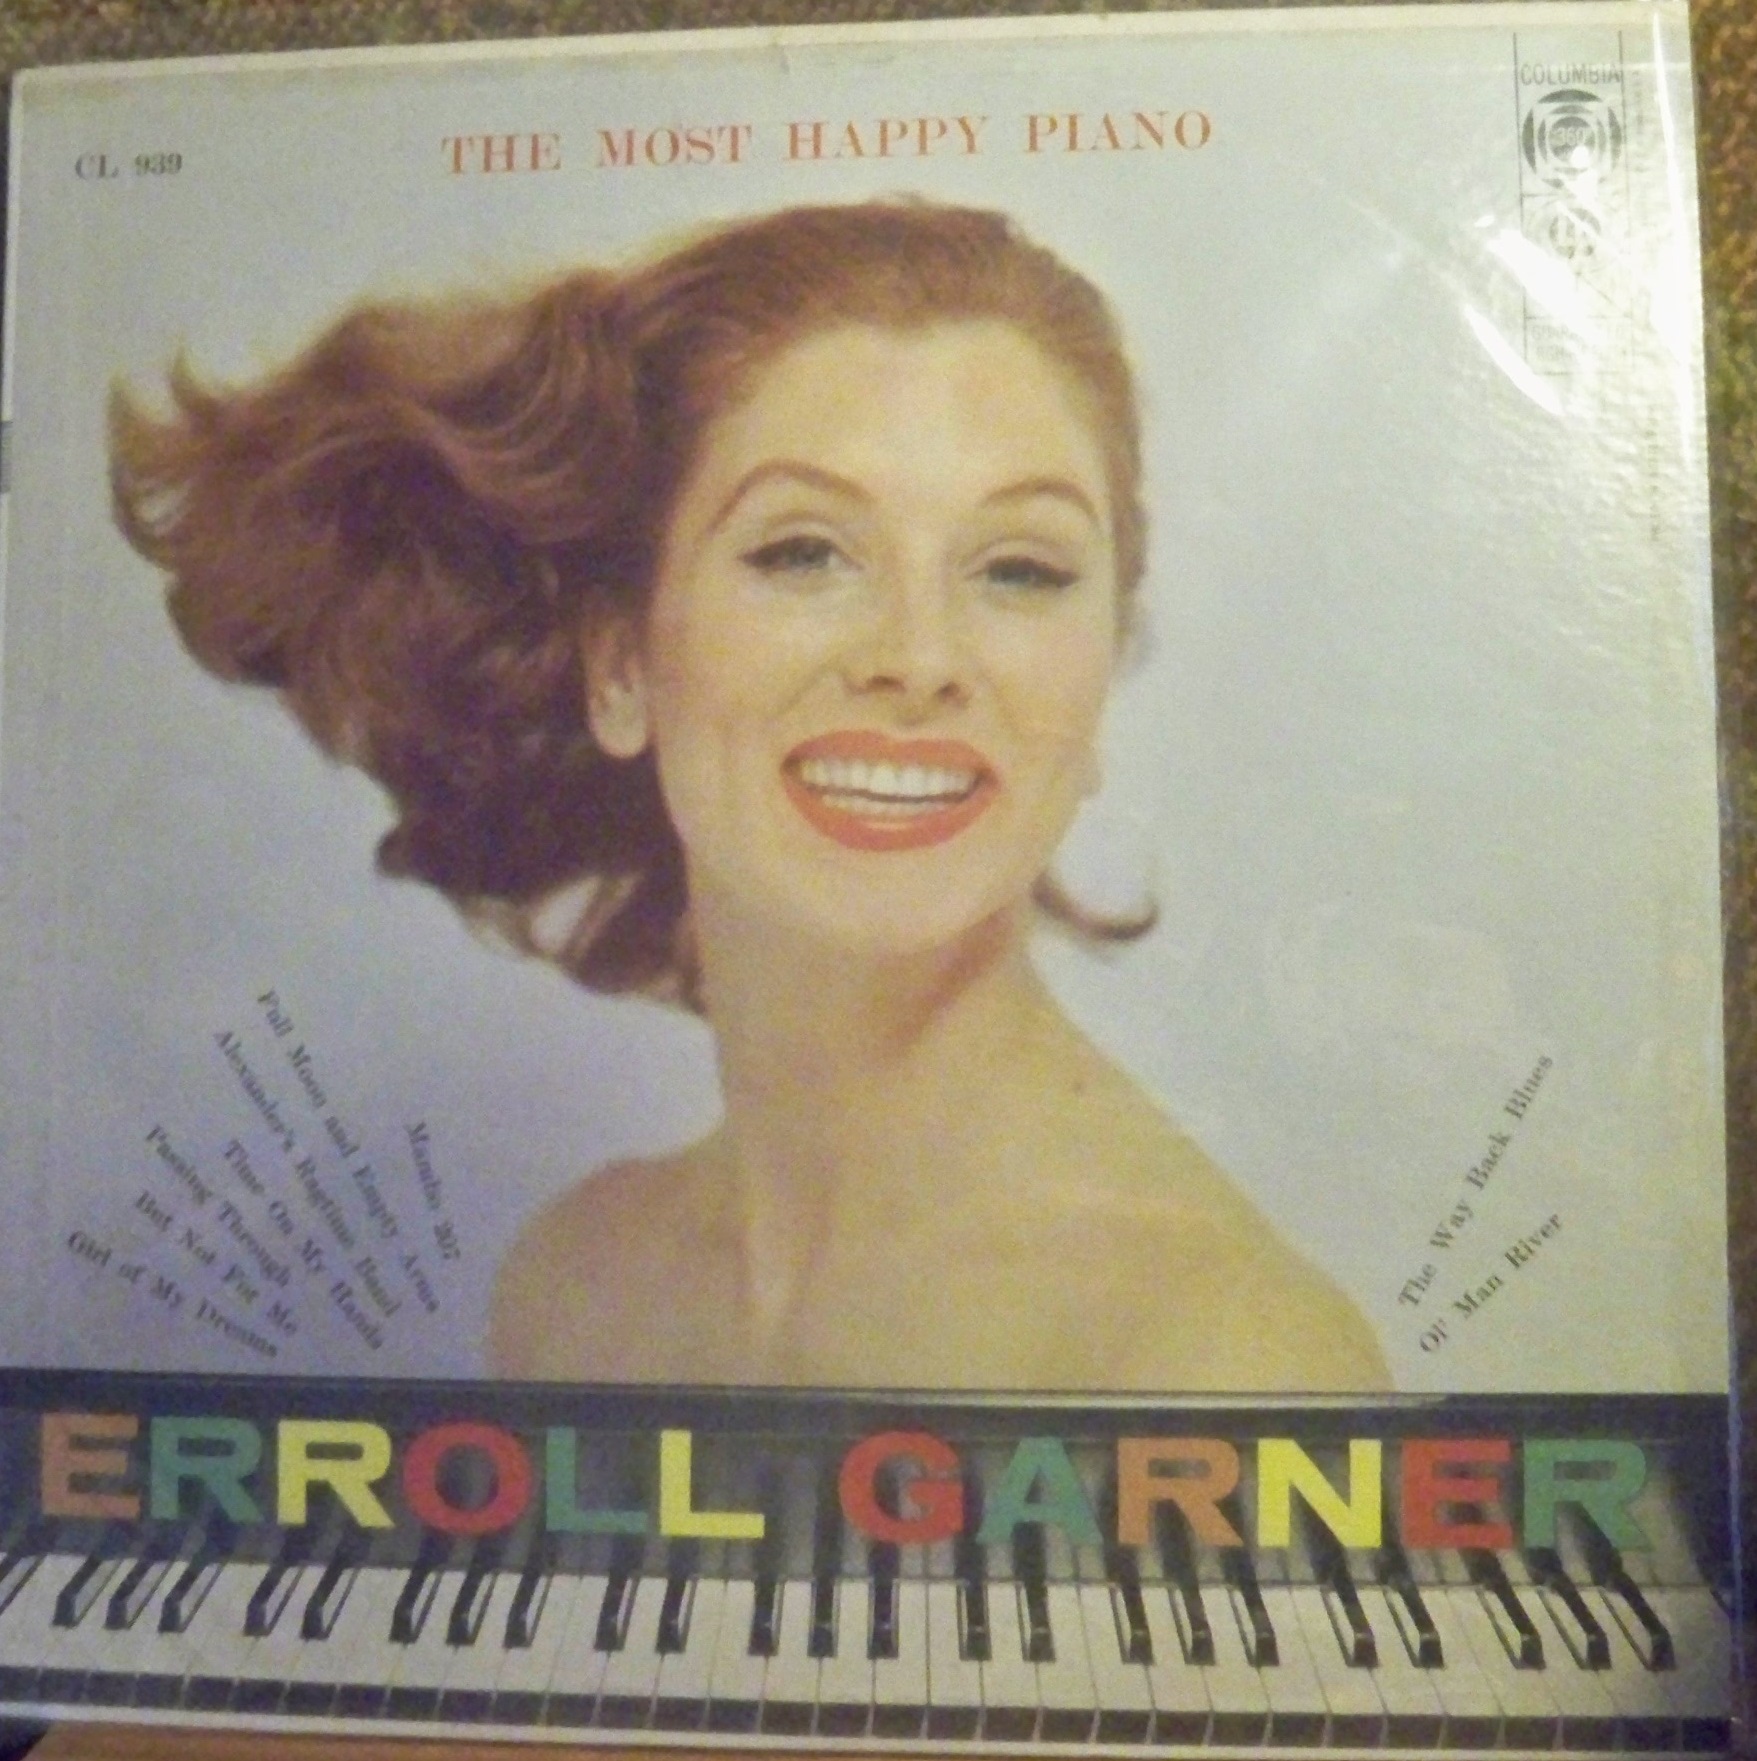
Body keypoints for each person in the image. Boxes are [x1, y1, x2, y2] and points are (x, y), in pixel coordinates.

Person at [112, 199, 1388, 1393]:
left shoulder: (1220, 1357)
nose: (919, 660)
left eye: (1018, 570)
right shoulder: (573, 1290)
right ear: (621, 666)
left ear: (1102, 671)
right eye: (803, 552)